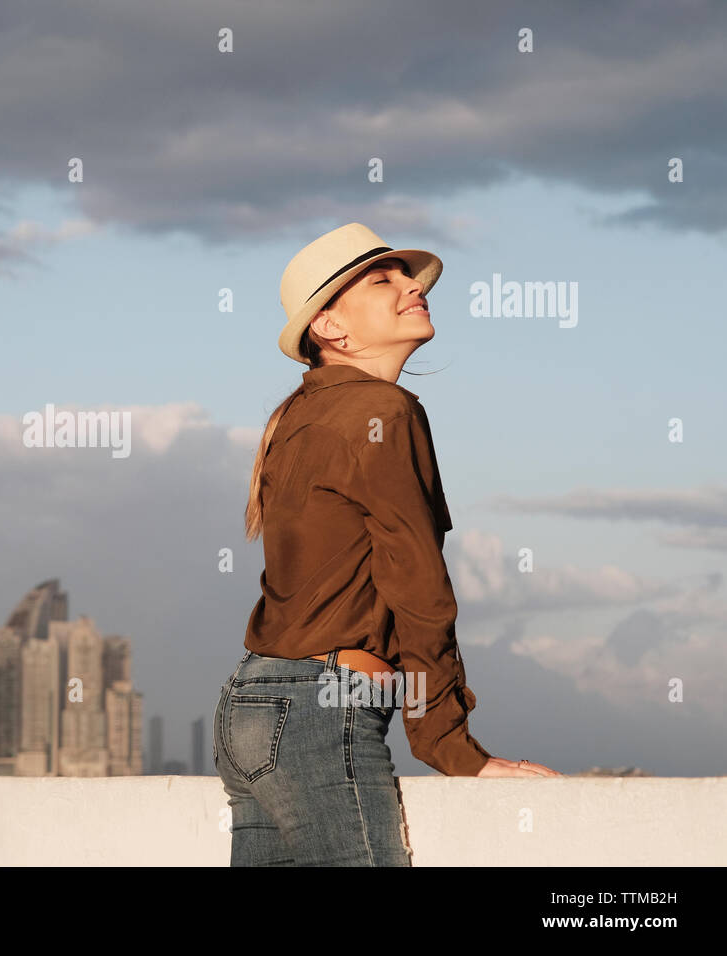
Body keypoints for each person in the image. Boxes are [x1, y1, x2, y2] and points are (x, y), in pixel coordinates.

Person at [213, 223, 562, 867]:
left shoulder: (300, 416)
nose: (411, 287)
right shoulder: (383, 410)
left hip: (251, 703)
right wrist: (450, 745)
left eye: (409, 276)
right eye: (383, 280)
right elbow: (418, 589)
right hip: (325, 705)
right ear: (331, 329)